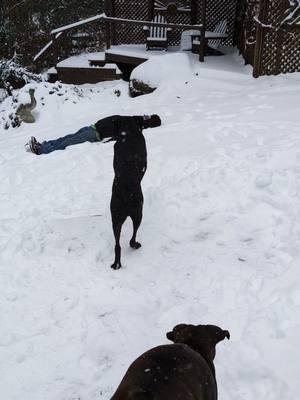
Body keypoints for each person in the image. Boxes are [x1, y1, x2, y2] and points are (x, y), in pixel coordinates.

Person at [26, 114, 162, 270]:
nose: (147, 116)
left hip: (95, 134)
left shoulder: (135, 127)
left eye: (150, 117)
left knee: (67, 143)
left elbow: (122, 139)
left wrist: (113, 138)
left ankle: (41, 150)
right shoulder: (135, 120)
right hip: (93, 127)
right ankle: (43, 145)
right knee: (67, 138)